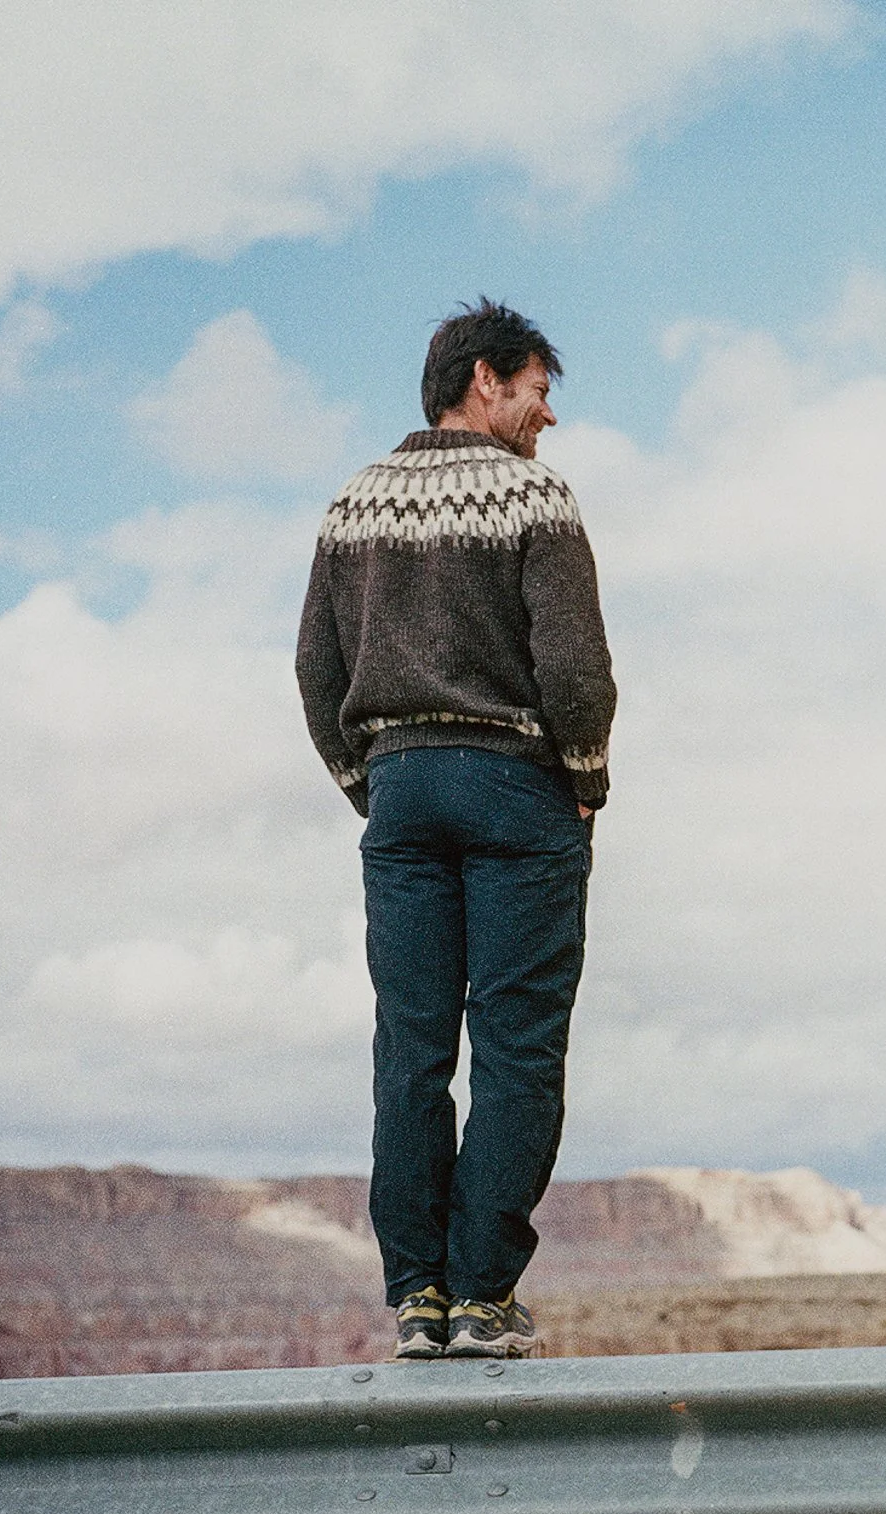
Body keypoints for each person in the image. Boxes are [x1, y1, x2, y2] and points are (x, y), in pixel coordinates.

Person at [295, 299, 616, 1361]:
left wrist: (370, 782)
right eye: (537, 390)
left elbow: (316, 669)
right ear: (483, 379)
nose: (547, 417)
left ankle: (416, 1300)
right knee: (518, 1049)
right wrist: (585, 779)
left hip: (400, 793)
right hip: (517, 790)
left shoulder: (353, 503)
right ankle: (482, 1295)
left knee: (412, 1049)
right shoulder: (532, 494)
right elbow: (574, 667)